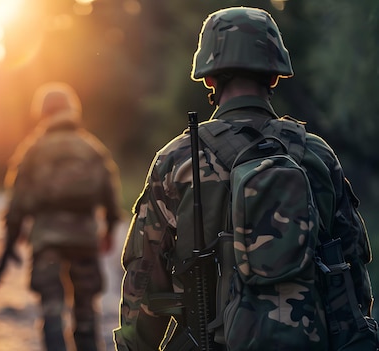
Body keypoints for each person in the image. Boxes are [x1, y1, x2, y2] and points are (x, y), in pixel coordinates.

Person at [113, 6, 376, 351]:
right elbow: (352, 267)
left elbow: (144, 278)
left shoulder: (177, 160)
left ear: (209, 77)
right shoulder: (316, 155)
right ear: (274, 76)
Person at [1, 82, 122, 351]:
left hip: (47, 240)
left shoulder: (33, 149)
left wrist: (13, 234)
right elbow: (111, 195)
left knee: (52, 310)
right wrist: (110, 230)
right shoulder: (92, 148)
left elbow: (17, 200)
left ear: (42, 112)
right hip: (85, 239)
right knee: (86, 309)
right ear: (72, 109)